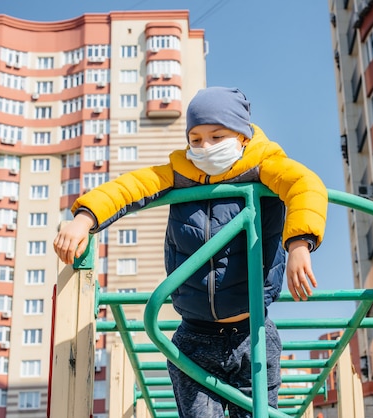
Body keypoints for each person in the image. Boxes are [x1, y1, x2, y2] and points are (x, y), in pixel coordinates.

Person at [53, 86, 328, 417]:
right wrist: (85, 218)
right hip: (194, 338)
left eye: (216, 136)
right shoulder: (180, 172)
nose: (205, 147)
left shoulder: (266, 166)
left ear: (242, 136)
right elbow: (127, 189)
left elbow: (305, 186)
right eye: (195, 139)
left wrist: (299, 242)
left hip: (251, 332)